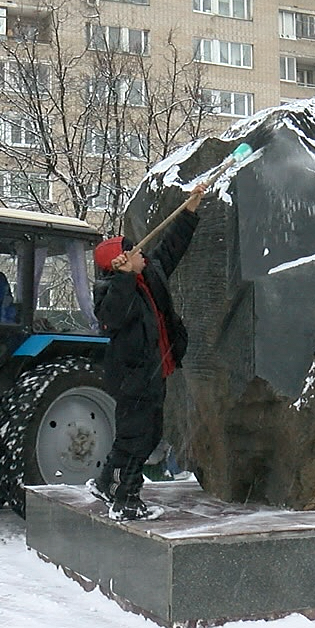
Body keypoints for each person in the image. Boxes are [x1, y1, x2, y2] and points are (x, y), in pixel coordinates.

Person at [87, 183, 206, 522]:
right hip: (134, 375)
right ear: (120, 263)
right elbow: (112, 317)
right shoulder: (112, 290)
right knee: (138, 435)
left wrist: (190, 211)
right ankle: (126, 499)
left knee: (144, 432)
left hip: (155, 368)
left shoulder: (149, 276)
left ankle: (105, 480)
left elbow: (171, 249)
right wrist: (124, 278)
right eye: (132, 250)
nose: (141, 253)